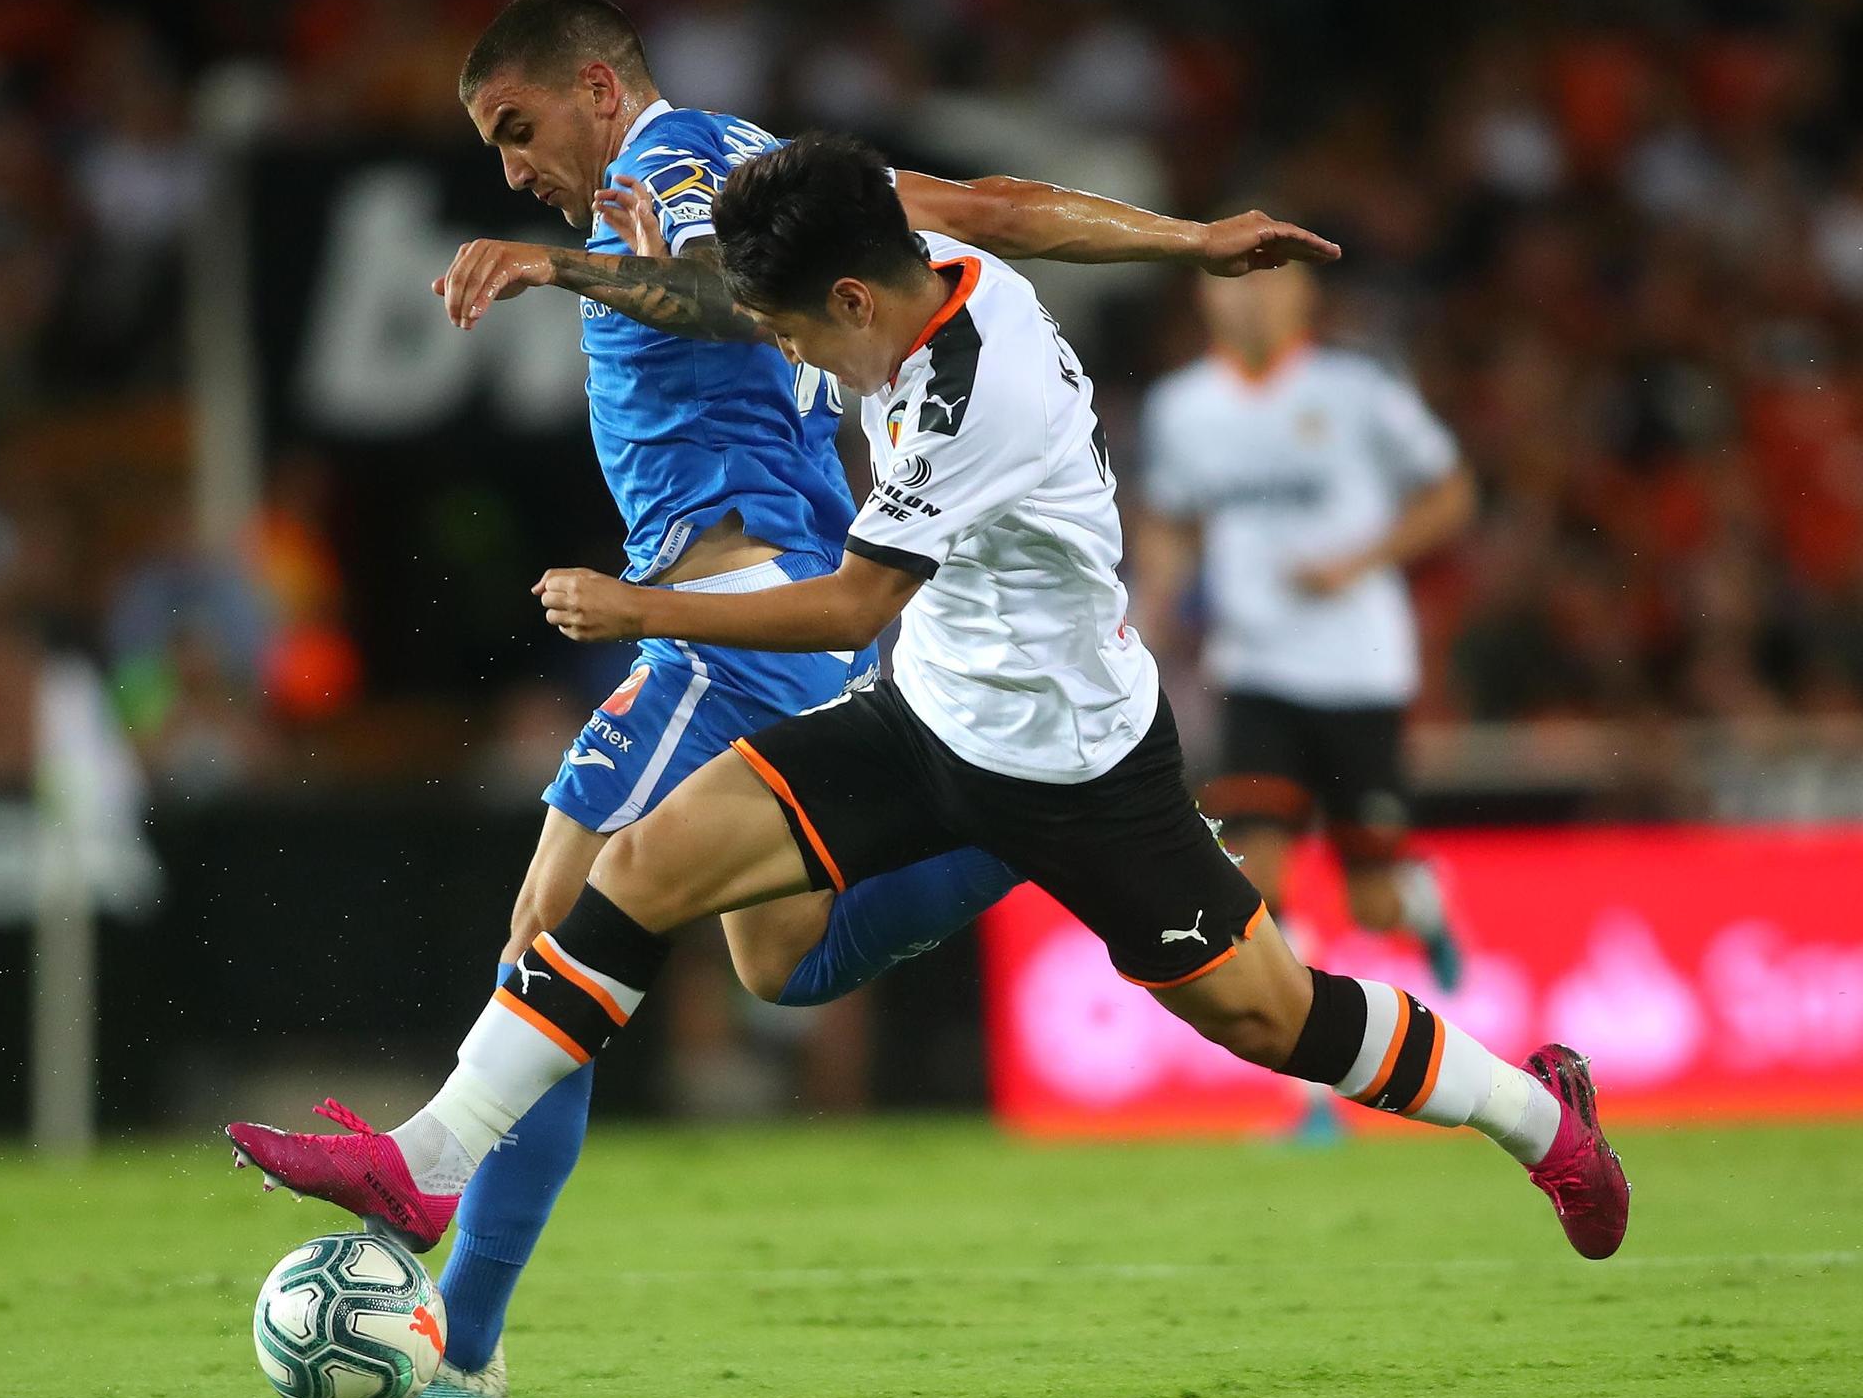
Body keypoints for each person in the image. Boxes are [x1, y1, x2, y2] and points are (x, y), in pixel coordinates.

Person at [229, 136, 1630, 1292]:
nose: (783, 352)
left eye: (783, 329)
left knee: (1273, 1018)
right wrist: (1192, 239)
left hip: (1078, 766)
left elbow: (846, 606)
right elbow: (1003, 203)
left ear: (848, 301)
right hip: (927, 717)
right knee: (642, 865)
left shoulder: (974, 396)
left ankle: (1534, 1111)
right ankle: (429, 1159)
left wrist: (640, 609)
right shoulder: (919, 265)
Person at [336, 0, 1346, 1398]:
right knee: (774, 958)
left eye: (518, 129)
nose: (512, 170)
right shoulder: (767, 165)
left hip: (738, 610)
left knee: (553, 938)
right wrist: (1186, 237)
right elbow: (991, 204)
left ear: (600, 93)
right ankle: (1024, 819)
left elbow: (725, 300)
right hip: (766, 601)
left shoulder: (670, 171)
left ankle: (464, 1338)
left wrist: (556, 268)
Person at [1134, 264, 1475, 996]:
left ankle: (1421, 901)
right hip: (1253, 671)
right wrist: (1151, 605)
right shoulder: (1182, 407)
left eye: (1267, 278)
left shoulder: (1359, 390)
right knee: (1257, 882)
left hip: (1360, 668)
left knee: (1372, 901)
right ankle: (1312, 1100)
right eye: (1231, 279)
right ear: (1205, 295)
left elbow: (1452, 492)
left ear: (1304, 294)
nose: (1250, 294)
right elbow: (1170, 521)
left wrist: (1361, 560)